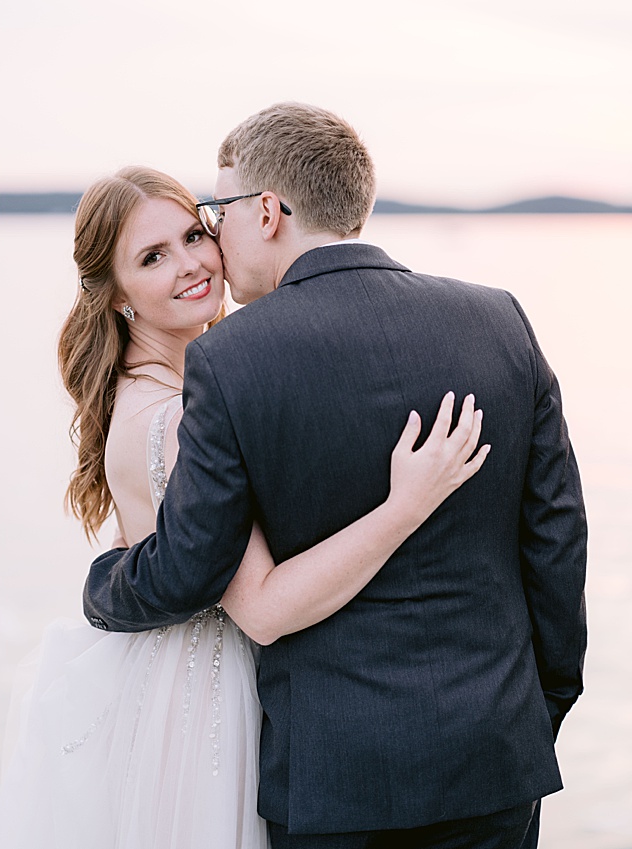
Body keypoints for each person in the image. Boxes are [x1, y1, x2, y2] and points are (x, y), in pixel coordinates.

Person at [84, 106, 587, 848]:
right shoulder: (499, 319)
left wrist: (104, 581)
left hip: (334, 779)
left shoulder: (231, 361)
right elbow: (557, 541)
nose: (213, 238)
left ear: (265, 211)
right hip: (497, 755)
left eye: (214, 215)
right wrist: (538, 708)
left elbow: (192, 566)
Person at [0, 166, 489, 848]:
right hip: (203, 703)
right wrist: (405, 503)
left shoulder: (168, 386)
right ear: (114, 296)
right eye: (152, 257)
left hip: (174, 680)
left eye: (194, 235)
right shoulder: (174, 416)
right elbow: (261, 606)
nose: (192, 263)